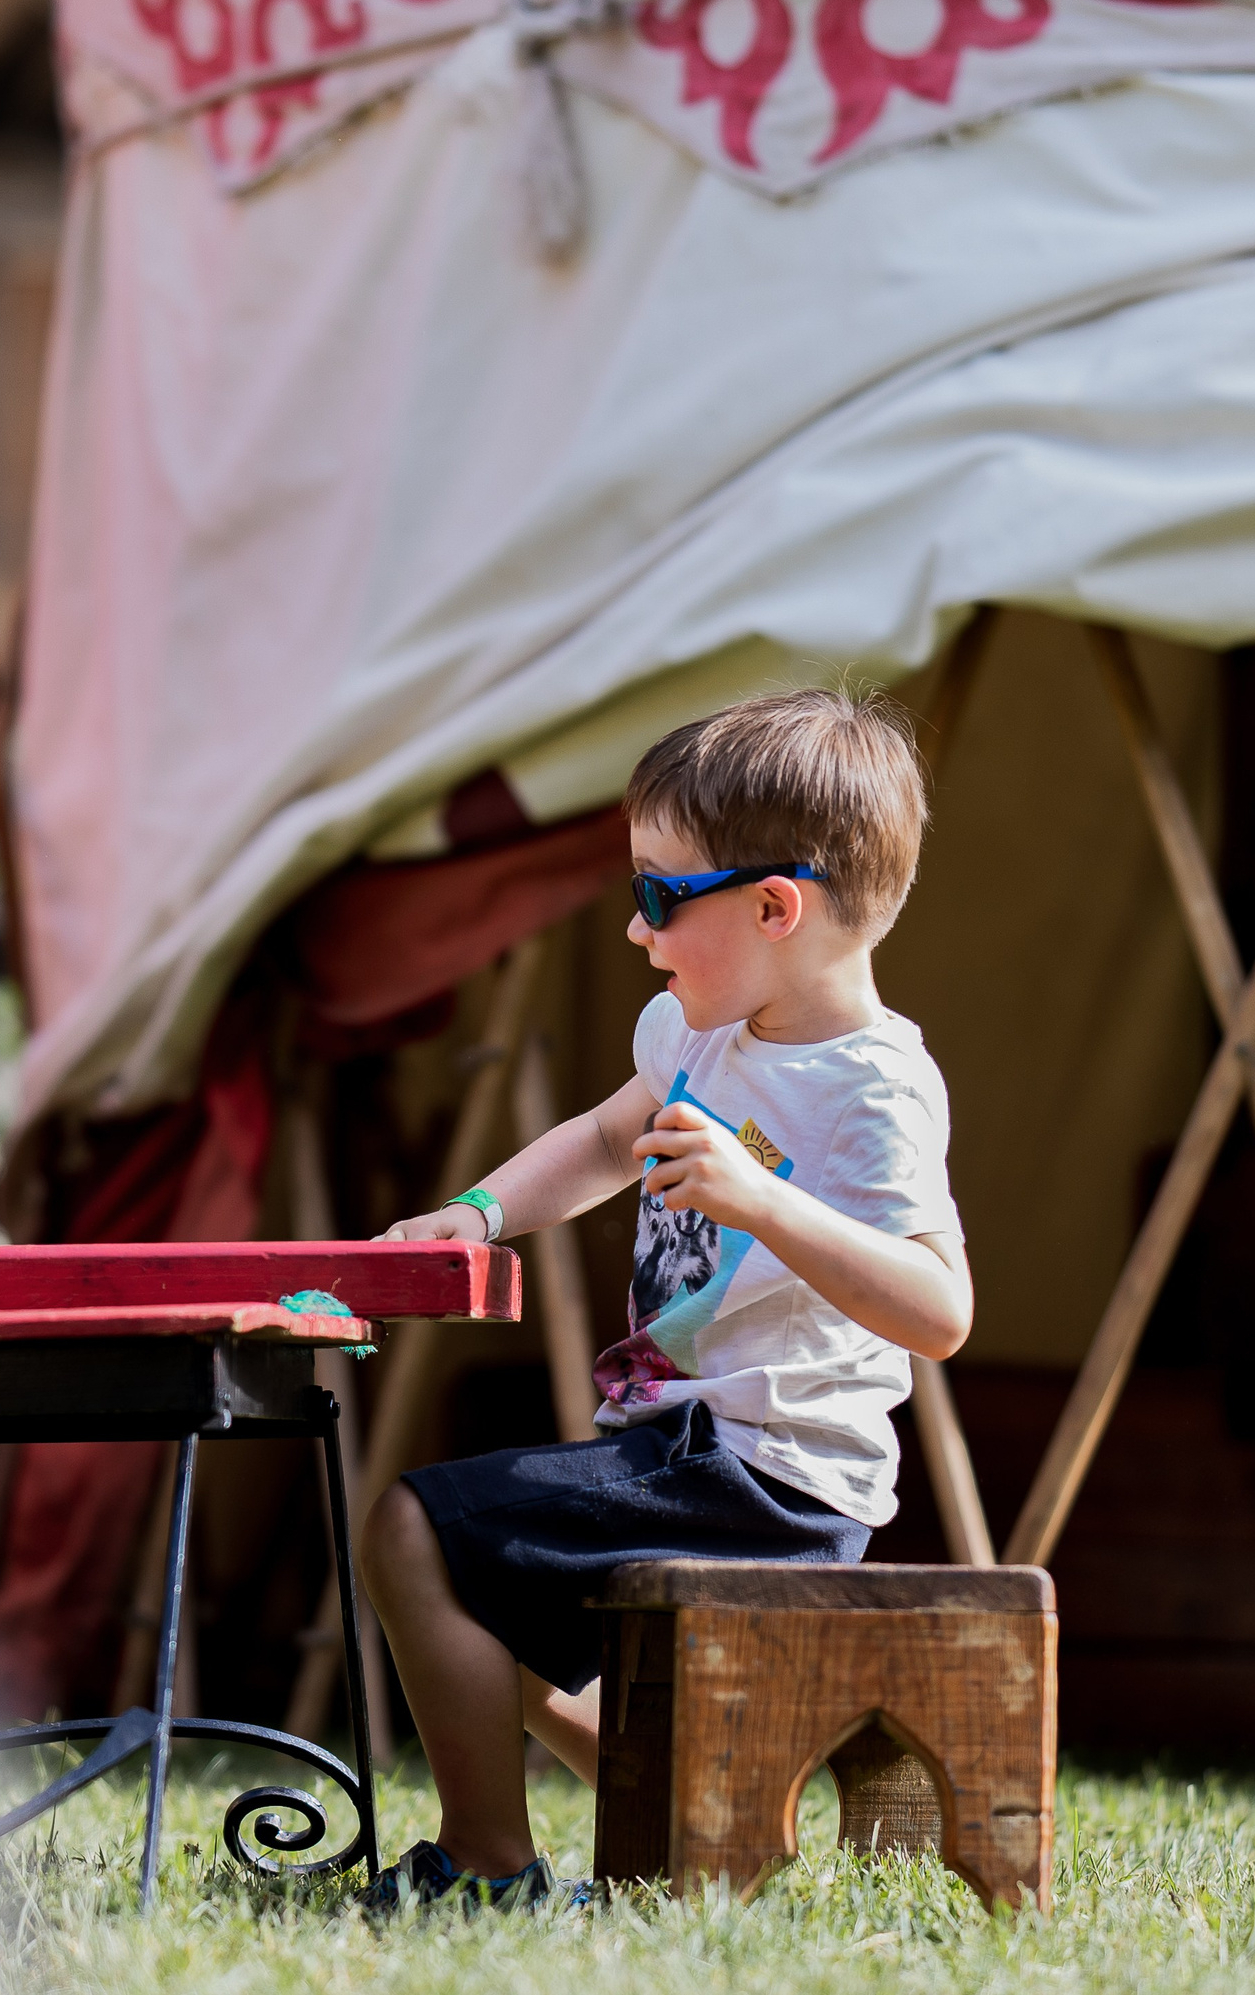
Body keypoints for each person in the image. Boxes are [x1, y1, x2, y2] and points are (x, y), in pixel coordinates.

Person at [363, 690, 973, 1911]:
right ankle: (709, 1826)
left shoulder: (873, 1090)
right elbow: (600, 1139)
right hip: (677, 1450)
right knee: (483, 1609)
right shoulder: (694, 1032)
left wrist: (763, 1202)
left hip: (772, 1477)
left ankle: (489, 1867)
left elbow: (938, 1308)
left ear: (772, 905)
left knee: (416, 1532)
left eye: (657, 897)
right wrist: (477, 1211)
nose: (638, 934)